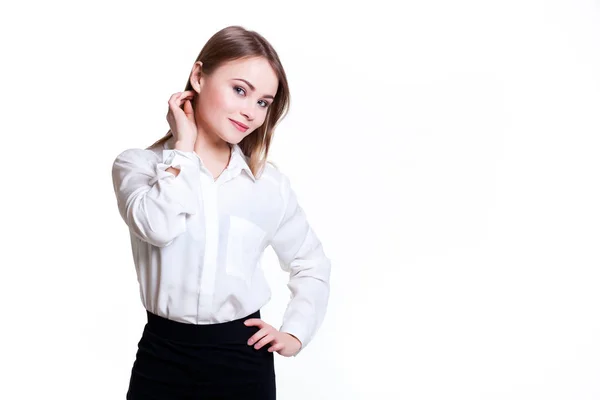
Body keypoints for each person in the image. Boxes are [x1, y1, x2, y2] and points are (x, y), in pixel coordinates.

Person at [111, 25, 331, 399]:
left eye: (263, 102)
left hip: (242, 361)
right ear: (198, 76)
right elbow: (158, 227)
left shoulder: (268, 185)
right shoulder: (138, 167)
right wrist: (183, 148)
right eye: (239, 90)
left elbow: (311, 263)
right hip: (161, 358)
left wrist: (295, 332)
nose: (250, 111)